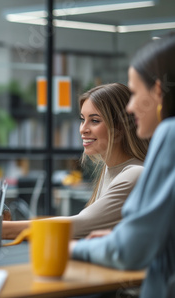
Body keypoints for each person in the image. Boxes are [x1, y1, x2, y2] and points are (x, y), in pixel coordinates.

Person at [71, 35, 175, 298]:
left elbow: (131, 249)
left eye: (136, 93)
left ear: (159, 92)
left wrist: (69, 249)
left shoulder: (170, 134)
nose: (130, 108)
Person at [2, 83, 149, 239]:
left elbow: (77, 225)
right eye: (82, 119)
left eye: (95, 121)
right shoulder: (109, 169)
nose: (83, 129)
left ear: (120, 127)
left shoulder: (135, 174)